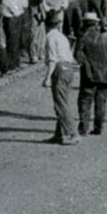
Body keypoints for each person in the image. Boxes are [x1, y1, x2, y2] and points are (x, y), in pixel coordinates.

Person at [75, 11, 107, 137]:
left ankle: (83, 128)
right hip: (105, 73)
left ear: (84, 23)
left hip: (90, 74)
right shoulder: (104, 37)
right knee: (101, 102)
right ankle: (98, 127)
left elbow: (77, 55)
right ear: (96, 23)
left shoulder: (83, 37)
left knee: (85, 100)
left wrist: (86, 63)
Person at [43, 10, 78, 145]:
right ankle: (59, 134)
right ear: (57, 24)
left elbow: (53, 59)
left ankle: (72, 133)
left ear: (46, 25)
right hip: (69, 69)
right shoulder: (61, 36)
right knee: (62, 100)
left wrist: (47, 78)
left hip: (60, 69)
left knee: (61, 104)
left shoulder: (50, 38)